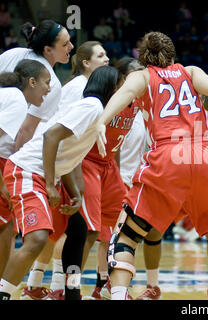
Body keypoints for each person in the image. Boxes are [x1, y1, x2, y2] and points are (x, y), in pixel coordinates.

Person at [95, 31, 208, 300]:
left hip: (168, 155)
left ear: (144, 59)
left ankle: (118, 295)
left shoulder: (141, 76)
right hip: (204, 156)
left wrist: (101, 120)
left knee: (126, 237)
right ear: (173, 55)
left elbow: (126, 93)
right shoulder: (191, 71)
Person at [0, 66, 119, 300]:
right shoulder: (92, 106)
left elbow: (66, 154)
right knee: (38, 238)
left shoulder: (99, 112)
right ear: (112, 88)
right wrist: (52, 186)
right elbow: (51, 136)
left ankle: (71, 291)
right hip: (28, 170)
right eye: (121, 86)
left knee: (80, 229)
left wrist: (75, 192)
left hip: (45, 173)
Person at [22, 41, 110, 300]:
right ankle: (59, 288)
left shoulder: (89, 92)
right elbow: (57, 134)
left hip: (71, 161)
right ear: (85, 62)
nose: (106, 59)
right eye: (101, 55)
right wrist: (60, 178)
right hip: (70, 162)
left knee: (73, 228)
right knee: (78, 229)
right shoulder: (79, 90)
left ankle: (40, 285)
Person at [135, 110, 208, 301]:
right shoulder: (165, 116)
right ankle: (152, 287)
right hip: (172, 181)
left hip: (201, 182)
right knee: (153, 231)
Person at [82, 57, 143, 301]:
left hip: (109, 168)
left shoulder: (138, 102)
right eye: (136, 74)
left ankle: (107, 288)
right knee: (86, 231)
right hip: (86, 164)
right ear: (120, 79)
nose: (141, 78)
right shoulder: (101, 103)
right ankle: (64, 287)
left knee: (119, 231)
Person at [0, 59, 51, 284]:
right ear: (31, 82)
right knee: (5, 227)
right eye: (46, 82)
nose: (48, 89)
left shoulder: (10, 96)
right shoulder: (17, 99)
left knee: (7, 227)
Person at [0, 20, 73, 150]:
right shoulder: (52, 83)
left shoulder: (13, 52)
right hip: (5, 154)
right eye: (65, 44)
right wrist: (14, 167)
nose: (71, 46)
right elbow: (26, 130)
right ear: (48, 49)